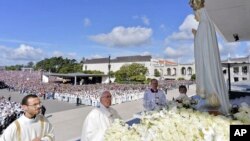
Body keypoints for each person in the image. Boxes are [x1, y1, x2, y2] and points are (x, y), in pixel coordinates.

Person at [190, 0, 230, 114]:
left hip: (206, 62)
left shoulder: (203, 25)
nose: (194, 17)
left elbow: (202, 47)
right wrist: (196, 35)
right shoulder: (207, 25)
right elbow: (203, 44)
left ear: (200, 13)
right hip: (207, 59)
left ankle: (213, 100)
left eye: (195, 14)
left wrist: (196, 35)